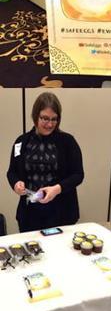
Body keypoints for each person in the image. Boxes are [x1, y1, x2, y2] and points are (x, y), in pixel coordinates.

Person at [7, 92, 84, 232]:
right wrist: (16, 184)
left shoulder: (68, 142)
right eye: (45, 118)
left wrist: (56, 189)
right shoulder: (21, 141)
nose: (50, 124)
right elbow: (11, 172)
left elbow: (78, 175)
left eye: (54, 119)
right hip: (29, 213)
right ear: (35, 116)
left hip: (61, 212)